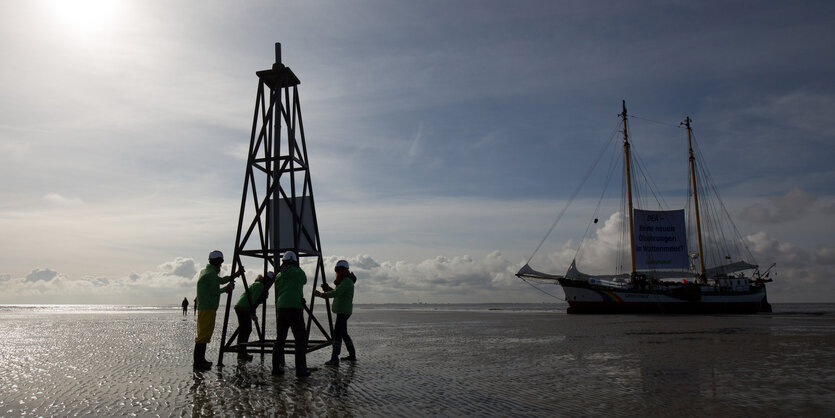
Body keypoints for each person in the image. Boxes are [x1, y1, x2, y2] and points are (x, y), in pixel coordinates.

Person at [193, 250, 243, 370]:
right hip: (207, 308)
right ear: (217, 262)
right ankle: (198, 363)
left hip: (205, 308)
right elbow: (214, 291)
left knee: (203, 335)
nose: (221, 265)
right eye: (220, 263)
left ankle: (201, 360)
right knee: (203, 336)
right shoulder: (210, 274)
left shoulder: (206, 271)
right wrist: (227, 289)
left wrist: (233, 276)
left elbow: (218, 281)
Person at [273, 251, 311, 377]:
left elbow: (278, 286)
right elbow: (304, 280)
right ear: (295, 261)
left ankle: (275, 369)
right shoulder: (298, 272)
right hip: (295, 307)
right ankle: (300, 370)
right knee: (300, 338)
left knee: (280, 339)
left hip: (281, 308)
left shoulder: (279, 275)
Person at [315, 259, 357, 366]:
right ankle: (352, 355)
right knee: (343, 333)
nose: (339, 272)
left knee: (337, 333)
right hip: (343, 310)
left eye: (341, 269)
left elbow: (337, 293)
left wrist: (322, 295)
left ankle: (334, 358)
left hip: (343, 311)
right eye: (337, 270)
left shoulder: (347, 281)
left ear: (346, 270)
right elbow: (337, 292)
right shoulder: (345, 280)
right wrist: (328, 289)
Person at [233, 272, 275, 361]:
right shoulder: (260, 286)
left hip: (241, 306)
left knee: (244, 330)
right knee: (246, 330)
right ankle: (241, 353)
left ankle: (241, 352)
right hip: (244, 307)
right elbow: (254, 301)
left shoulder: (258, 284)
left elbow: (255, 301)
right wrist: (253, 315)